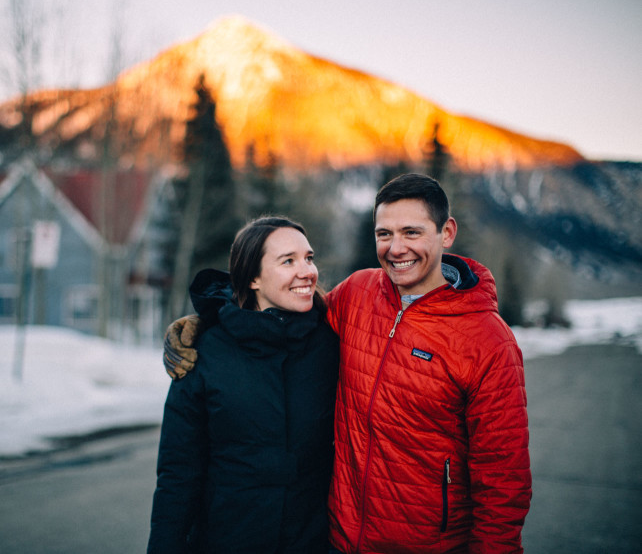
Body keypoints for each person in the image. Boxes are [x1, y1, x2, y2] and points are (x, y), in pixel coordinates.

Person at [164, 174, 531, 553]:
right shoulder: (358, 293)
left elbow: (504, 485)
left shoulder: (488, 341)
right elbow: (285, 311)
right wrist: (208, 323)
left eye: (411, 232)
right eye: (384, 234)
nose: (396, 248)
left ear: (447, 232)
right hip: (337, 541)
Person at [147, 216, 340, 554]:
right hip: (225, 541)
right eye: (288, 261)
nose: (307, 271)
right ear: (252, 277)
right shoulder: (204, 353)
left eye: (308, 258)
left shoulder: (333, 343)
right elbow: (178, 476)